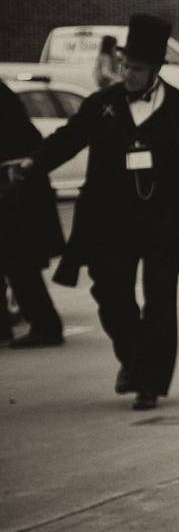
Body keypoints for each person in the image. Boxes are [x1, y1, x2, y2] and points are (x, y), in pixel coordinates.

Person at [10, 14, 179, 410]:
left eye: (136, 69)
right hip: (111, 220)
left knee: (160, 302)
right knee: (110, 295)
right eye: (125, 66)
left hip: (164, 221)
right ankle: (135, 360)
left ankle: (150, 384)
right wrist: (34, 163)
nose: (128, 75)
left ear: (155, 69)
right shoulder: (103, 105)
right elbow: (68, 139)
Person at [0, 80, 66, 348]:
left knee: (18, 262)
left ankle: (46, 326)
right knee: (17, 261)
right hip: (19, 189)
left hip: (16, 190)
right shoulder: (6, 98)